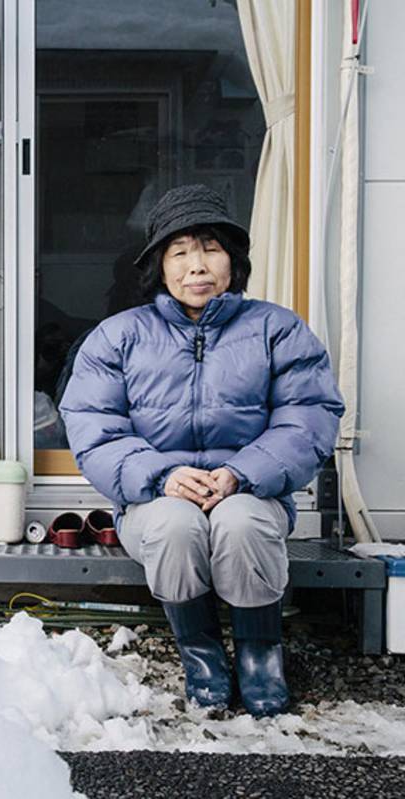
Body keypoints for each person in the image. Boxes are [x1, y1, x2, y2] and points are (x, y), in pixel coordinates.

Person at [58, 184, 345, 717]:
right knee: (175, 524)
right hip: (154, 497)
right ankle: (202, 654)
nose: (198, 265)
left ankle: (261, 654)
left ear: (233, 263)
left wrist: (241, 472)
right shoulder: (117, 337)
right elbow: (93, 426)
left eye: (211, 248)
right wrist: (163, 475)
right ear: (160, 269)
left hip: (252, 492)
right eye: (180, 251)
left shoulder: (277, 330)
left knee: (238, 523)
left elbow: (308, 418)